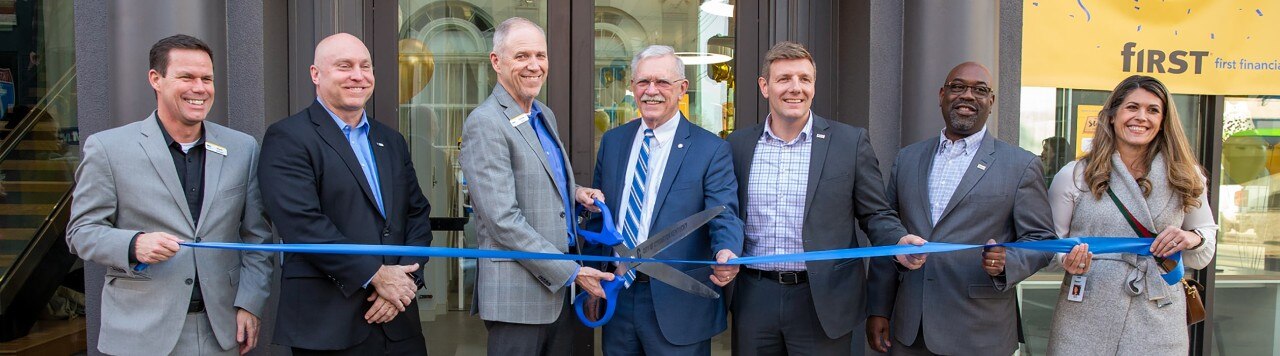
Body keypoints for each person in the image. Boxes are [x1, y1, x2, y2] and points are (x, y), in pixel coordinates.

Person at [66, 34, 272, 356]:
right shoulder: (108, 148)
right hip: (140, 332)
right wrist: (134, 244)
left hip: (221, 329)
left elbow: (257, 237)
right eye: (186, 77)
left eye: (207, 78)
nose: (199, 88)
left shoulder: (242, 148)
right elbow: (81, 232)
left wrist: (250, 302)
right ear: (156, 80)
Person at [724, 41, 925, 355]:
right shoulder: (738, 145)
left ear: (814, 86)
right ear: (764, 87)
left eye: (804, 79)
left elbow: (875, 214)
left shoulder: (849, 142)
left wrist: (898, 241)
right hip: (754, 298)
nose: (795, 88)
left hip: (823, 302)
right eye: (784, 79)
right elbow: (727, 215)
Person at [865, 61, 1056, 355]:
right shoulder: (908, 159)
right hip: (910, 329)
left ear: (990, 102)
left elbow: (1043, 241)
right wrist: (879, 308)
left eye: (979, 90)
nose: (968, 95)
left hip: (979, 332)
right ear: (942, 95)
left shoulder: (1020, 165)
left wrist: (1008, 261)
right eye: (958, 87)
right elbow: (889, 232)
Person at [258, 33, 432, 354]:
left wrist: (405, 282)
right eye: (344, 66)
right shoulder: (288, 137)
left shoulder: (390, 140)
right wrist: (376, 276)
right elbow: (302, 223)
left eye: (365, 66)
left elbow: (416, 214)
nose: (358, 75)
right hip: (328, 323)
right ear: (315, 74)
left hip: (398, 321)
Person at [458, 17, 613, 355]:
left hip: (559, 293)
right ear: (497, 62)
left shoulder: (543, 113)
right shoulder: (485, 123)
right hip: (518, 298)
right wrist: (572, 273)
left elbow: (537, 181)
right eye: (522, 56)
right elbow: (503, 220)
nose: (534, 66)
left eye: (540, 56)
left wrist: (575, 194)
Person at [1033, 75, 1217, 354]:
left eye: (1153, 110)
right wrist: (1066, 260)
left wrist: (1191, 239)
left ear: (1163, 120)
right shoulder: (1075, 174)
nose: (1141, 117)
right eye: (1132, 107)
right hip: (1086, 315)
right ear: (1111, 116)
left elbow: (1205, 247)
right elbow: (1046, 245)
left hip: (1160, 316)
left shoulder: (1185, 176)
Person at [588, 45, 744, 355]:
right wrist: (593, 276)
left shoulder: (711, 149)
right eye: (643, 82)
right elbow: (597, 217)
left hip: (679, 304)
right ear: (632, 87)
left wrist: (727, 251)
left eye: (662, 83)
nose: (651, 91)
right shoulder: (613, 142)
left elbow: (722, 214)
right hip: (618, 296)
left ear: (682, 88)